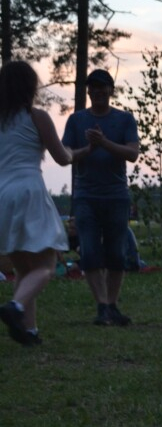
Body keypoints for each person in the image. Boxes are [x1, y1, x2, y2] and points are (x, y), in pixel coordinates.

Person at [0, 61, 73, 345]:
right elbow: (62, 157)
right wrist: (78, 153)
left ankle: (28, 330)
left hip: (2, 195)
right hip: (28, 191)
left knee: (23, 268)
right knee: (46, 264)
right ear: (30, 87)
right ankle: (15, 307)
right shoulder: (37, 117)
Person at [62, 68, 140, 327]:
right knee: (91, 252)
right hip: (85, 197)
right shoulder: (76, 121)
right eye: (93, 87)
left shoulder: (125, 119)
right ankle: (102, 306)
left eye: (102, 87)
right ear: (88, 91)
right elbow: (66, 156)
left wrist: (104, 143)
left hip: (117, 197)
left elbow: (132, 154)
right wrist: (90, 148)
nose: (97, 91)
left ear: (111, 90)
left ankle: (112, 305)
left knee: (117, 253)